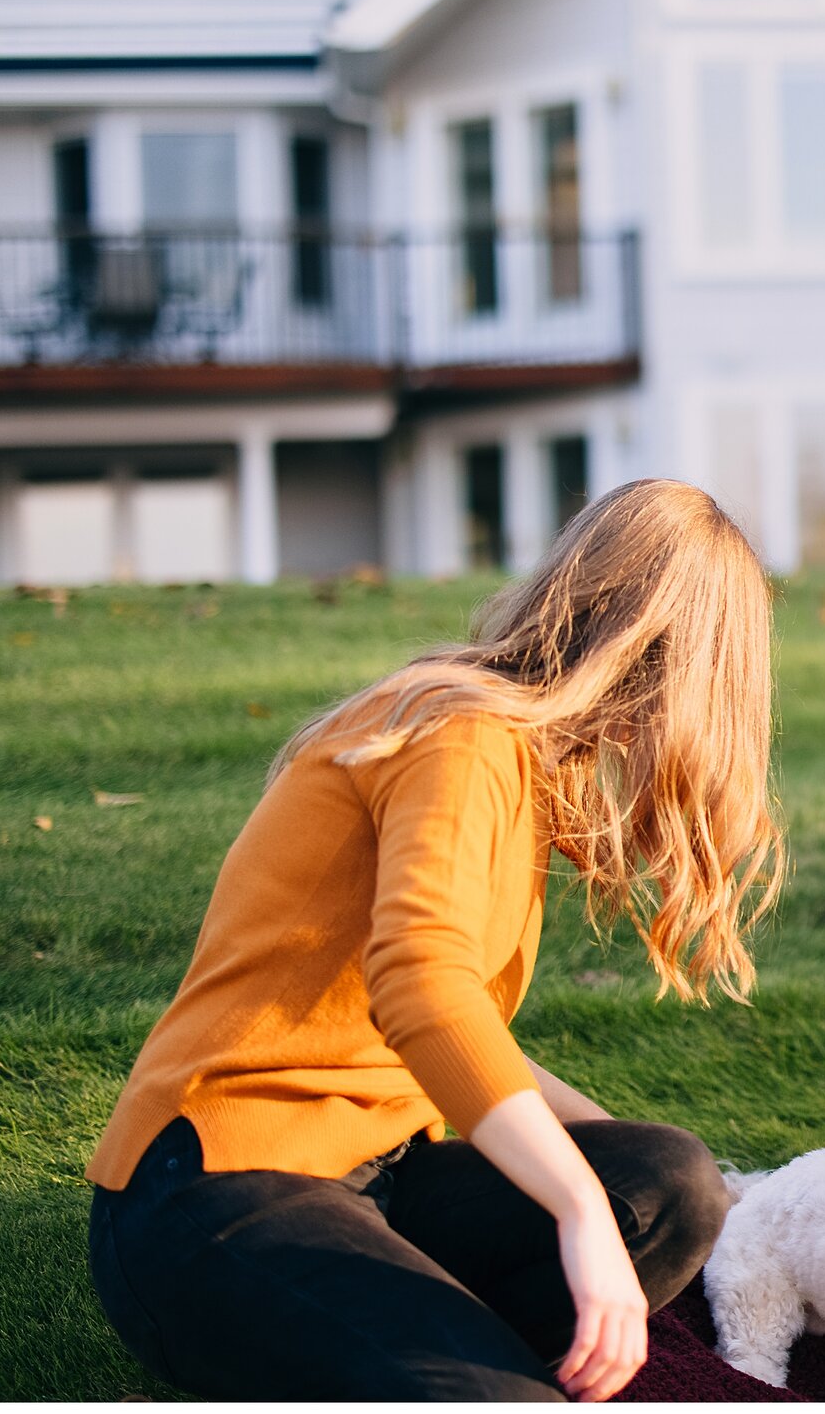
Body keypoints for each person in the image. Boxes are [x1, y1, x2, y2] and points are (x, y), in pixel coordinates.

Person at [84, 480, 783, 1401]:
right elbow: (422, 989)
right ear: (667, 664)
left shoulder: (508, 752)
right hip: (215, 1187)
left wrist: (721, 1196)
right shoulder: (458, 735)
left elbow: (466, 1037)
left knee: (670, 1184)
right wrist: (574, 1207)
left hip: (380, 1171)